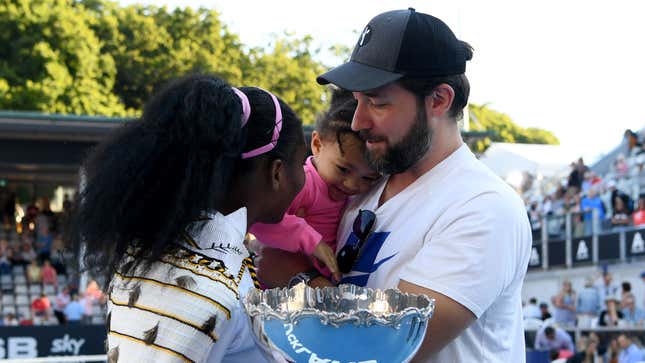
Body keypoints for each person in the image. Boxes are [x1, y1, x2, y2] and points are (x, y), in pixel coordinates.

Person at [314, 8, 532, 362]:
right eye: (357, 101)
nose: (358, 122)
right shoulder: (363, 186)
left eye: (377, 103)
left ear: (439, 100)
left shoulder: (483, 206)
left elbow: (385, 347)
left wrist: (297, 283)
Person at [67, 74, 307, 362]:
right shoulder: (213, 287)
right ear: (278, 172)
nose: (307, 176)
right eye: (302, 162)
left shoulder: (154, 248)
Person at [250, 88, 380, 284]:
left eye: (368, 178)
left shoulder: (348, 196)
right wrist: (308, 238)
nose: (353, 185)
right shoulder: (304, 183)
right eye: (343, 169)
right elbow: (258, 219)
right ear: (318, 144)